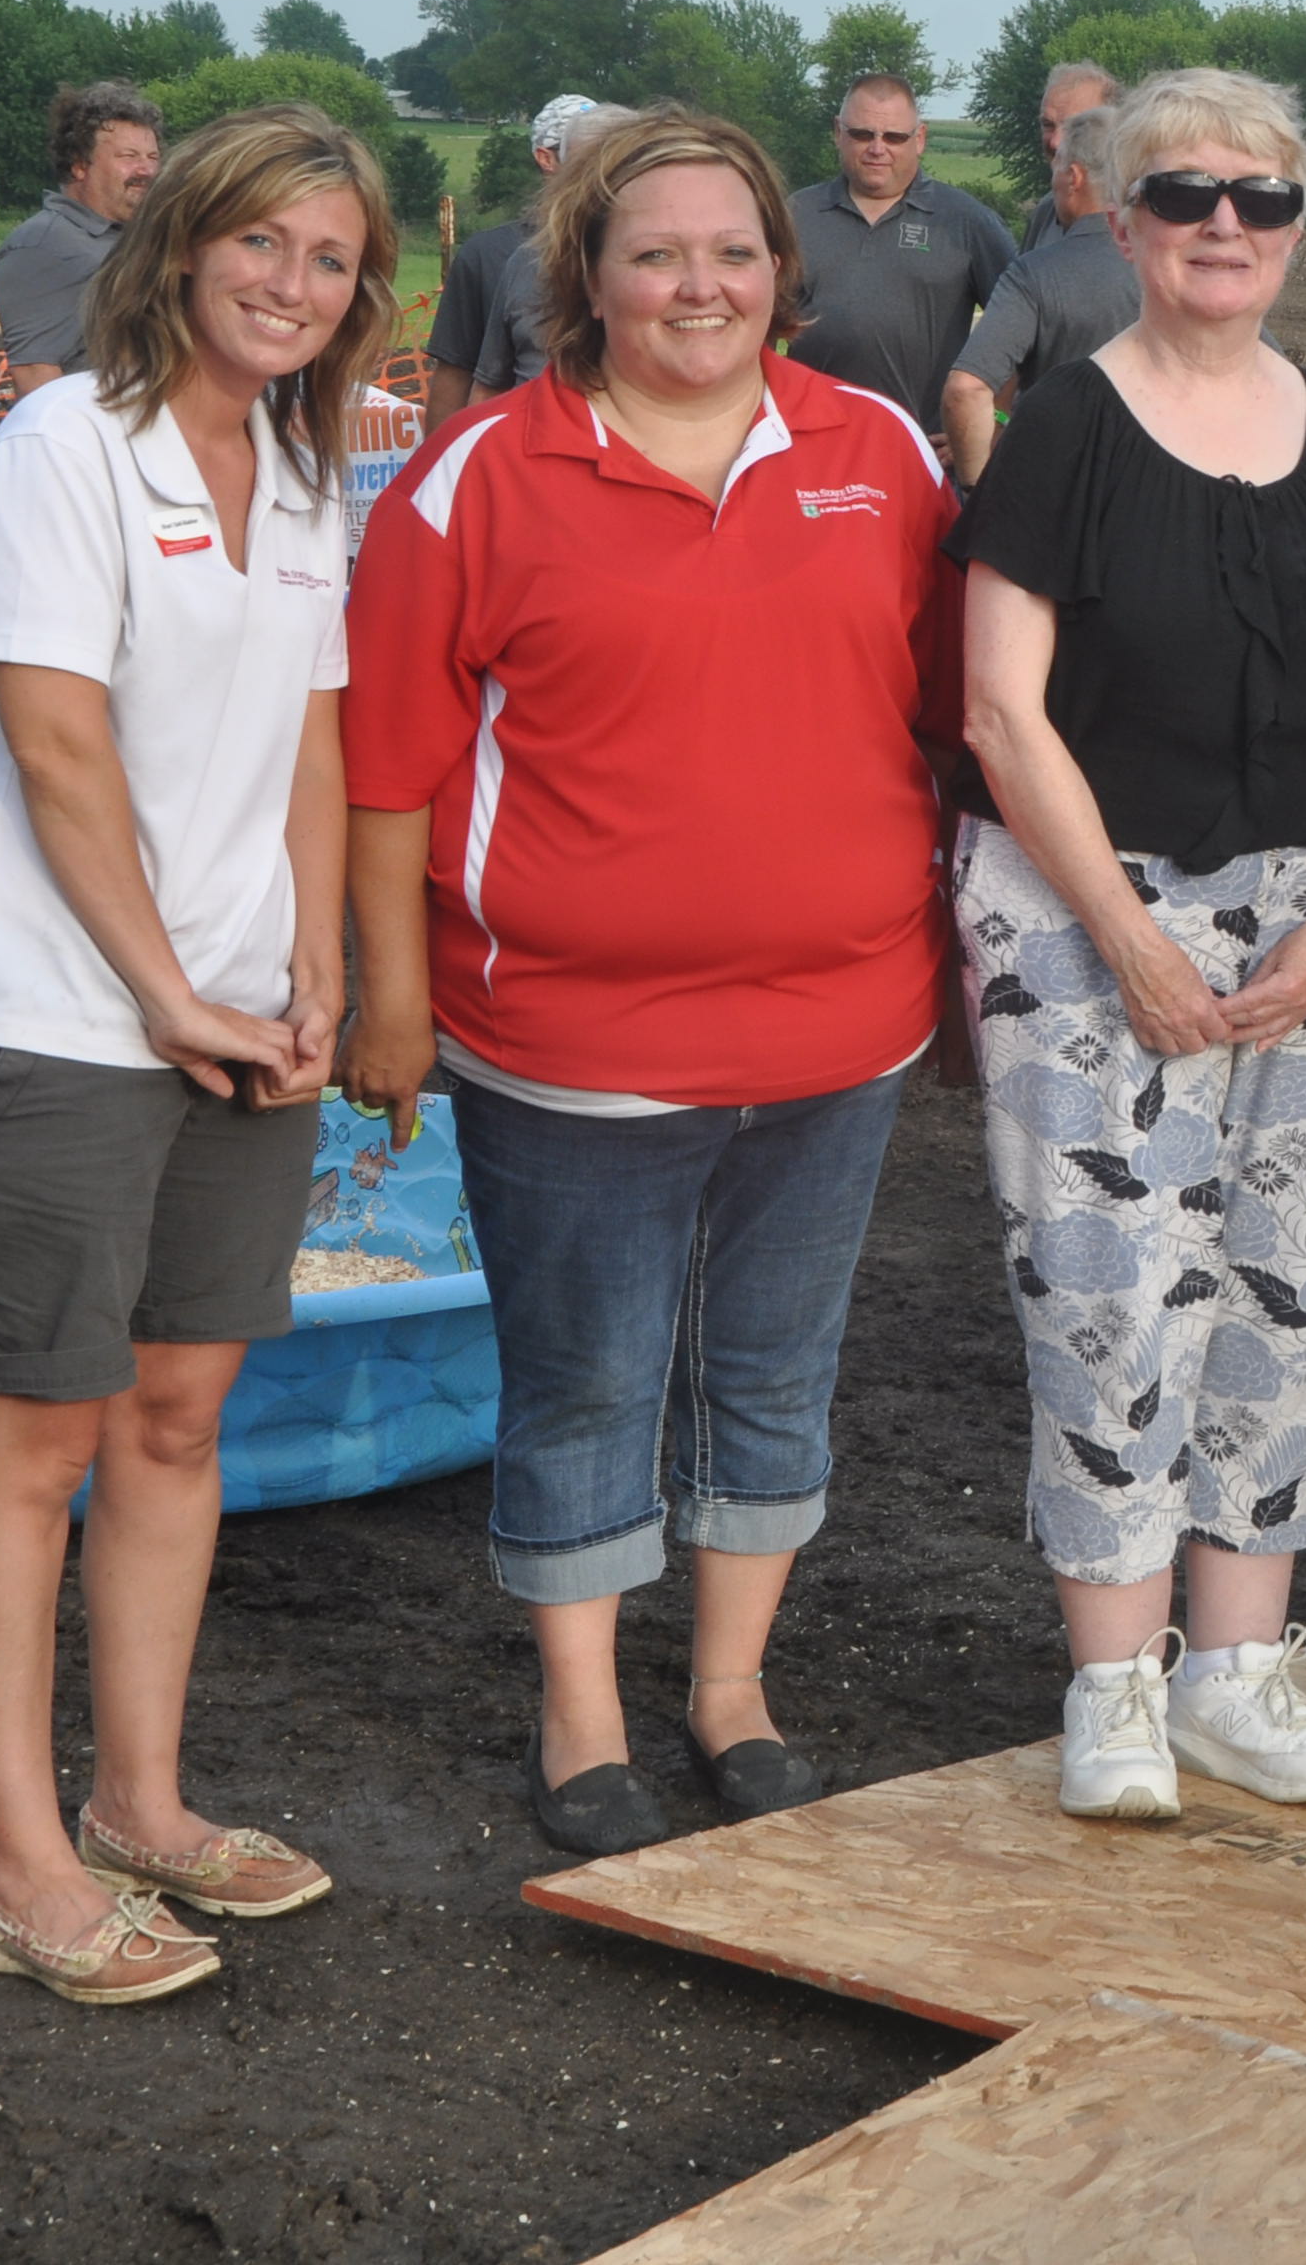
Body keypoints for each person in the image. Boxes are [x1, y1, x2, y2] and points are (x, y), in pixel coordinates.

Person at [342, 105, 964, 1859]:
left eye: (734, 250)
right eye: (657, 253)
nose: (700, 284)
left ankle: (731, 1693)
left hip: (840, 1026)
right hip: (567, 1042)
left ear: (784, 268)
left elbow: (956, 711)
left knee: (772, 1369)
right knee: (589, 1378)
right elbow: (385, 769)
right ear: (587, 274)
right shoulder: (475, 479)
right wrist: (394, 997)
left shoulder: (884, 453)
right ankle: (584, 1709)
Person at [0, 103, 397, 2001]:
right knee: (28, 1442)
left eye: (329, 257)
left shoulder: (300, 462)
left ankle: (145, 1805)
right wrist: (165, 988)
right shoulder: (63, 448)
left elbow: (310, 740)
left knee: (179, 1418)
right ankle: (22, 1867)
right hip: (46, 1018)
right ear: (180, 243)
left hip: (242, 1027)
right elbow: (53, 746)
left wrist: (318, 971)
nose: (290, 282)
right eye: (260, 242)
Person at [952, 67, 1306, 1818]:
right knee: (1106, 1289)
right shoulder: (1068, 427)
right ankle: (1113, 1684)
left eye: (1258, 197)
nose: (1222, 224)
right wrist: (1129, 940)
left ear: (1296, 225)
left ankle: (1238, 1664)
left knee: (1284, 1283)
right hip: (1083, 904)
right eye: (1182, 195)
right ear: (1118, 214)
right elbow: (1002, 712)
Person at [788, 71, 1017, 436]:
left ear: (920, 138)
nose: (878, 148)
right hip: (814, 444)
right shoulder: (796, 216)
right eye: (862, 134)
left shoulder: (965, 221)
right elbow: (756, 329)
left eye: (894, 137)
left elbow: (1020, 330)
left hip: (922, 450)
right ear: (837, 132)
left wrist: (996, 420)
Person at [944, 102, 1144, 487]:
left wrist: (976, 489)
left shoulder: (1034, 274)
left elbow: (966, 389)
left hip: (1052, 485)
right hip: (1154, 489)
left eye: (1056, 170)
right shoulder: (1176, 270)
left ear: (1073, 177)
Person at [423, 93, 613, 431]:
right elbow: (462, 373)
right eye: (589, 152)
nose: (602, 166)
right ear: (546, 157)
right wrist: (440, 466)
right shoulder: (494, 254)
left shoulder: (637, 258)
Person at [0, 82, 165, 394]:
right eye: (129, 156)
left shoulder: (139, 239)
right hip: (101, 437)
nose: (147, 169)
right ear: (80, 166)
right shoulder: (43, 248)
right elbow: (35, 378)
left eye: (152, 156)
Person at [1020, 60, 1120, 252]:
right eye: (1048, 125)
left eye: (1074, 127)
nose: (1056, 142)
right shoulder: (1046, 213)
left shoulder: (1143, 214)